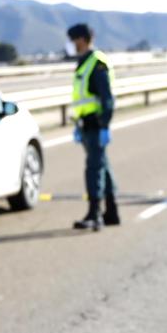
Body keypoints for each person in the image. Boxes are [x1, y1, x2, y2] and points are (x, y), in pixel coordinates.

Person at [67, 23, 119, 231]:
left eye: (72, 39)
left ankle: (95, 214)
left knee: (94, 170)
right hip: (86, 125)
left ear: (81, 39)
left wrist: (105, 125)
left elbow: (107, 98)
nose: (71, 44)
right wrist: (78, 124)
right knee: (102, 168)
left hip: (97, 125)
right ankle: (112, 212)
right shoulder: (84, 63)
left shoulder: (96, 64)